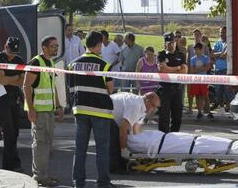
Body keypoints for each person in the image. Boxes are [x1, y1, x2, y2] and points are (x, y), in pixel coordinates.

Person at [67, 31, 115, 188]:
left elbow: (70, 87)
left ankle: (78, 183)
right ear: (98, 44)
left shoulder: (72, 64)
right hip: (100, 112)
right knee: (102, 150)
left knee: (80, 149)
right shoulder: (104, 65)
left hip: (80, 110)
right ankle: (103, 183)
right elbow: (110, 89)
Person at [23, 36, 64, 187]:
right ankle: (39, 177)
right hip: (38, 112)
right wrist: (31, 109)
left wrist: (59, 106)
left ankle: (43, 174)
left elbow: (52, 87)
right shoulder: (36, 62)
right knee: (40, 143)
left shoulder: (51, 62)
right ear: (44, 48)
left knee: (47, 144)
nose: (56, 48)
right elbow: (26, 86)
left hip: (48, 111)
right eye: (53, 46)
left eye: (57, 46)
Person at [0, 37, 25, 172]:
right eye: (10, 50)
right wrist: (15, 78)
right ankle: (8, 165)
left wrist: (8, 79)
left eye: (14, 52)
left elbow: (22, 81)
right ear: (5, 46)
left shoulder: (19, 60)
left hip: (14, 98)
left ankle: (14, 162)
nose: (12, 54)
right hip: (1, 99)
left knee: (15, 132)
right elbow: (1, 80)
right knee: (8, 132)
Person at [109, 92, 161, 174]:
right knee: (115, 138)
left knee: (125, 136)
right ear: (147, 101)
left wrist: (137, 145)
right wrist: (124, 149)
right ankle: (114, 167)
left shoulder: (143, 108)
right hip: (105, 112)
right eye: (153, 106)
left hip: (111, 112)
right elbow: (123, 128)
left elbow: (136, 129)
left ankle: (122, 164)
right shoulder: (136, 105)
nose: (154, 109)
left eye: (156, 107)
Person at [157, 32, 188, 133]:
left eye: (172, 42)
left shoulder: (181, 55)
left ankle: (174, 137)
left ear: (176, 42)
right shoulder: (161, 54)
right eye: (168, 43)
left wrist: (169, 68)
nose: (170, 45)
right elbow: (162, 69)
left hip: (177, 89)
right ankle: (163, 137)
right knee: (164, 117)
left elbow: (184, 71)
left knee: (177, 117)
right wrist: (177, 68)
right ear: (165, 44)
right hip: (164, 90)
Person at [214, 26, 234, 117]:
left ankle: (230, 110)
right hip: (217, 70)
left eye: (224, 32)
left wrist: (219, 54)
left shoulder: (229, 43)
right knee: (219, 91)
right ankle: (221, 109)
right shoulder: (217, 42)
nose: (222, 34)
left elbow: (225, 56)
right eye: (221, 32)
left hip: (227, 70)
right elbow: (211, 54)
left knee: (228, 91)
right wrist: (220, 54)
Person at [189, 43, 211, 119]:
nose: (195, 51)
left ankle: (208, 111)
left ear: (201, 50)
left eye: (197, 49)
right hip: (196, 80)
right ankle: (199, 112)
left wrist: (197, 69)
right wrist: (202, 67)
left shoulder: (206, 58)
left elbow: (207, 68)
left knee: (205, 95)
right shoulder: (192, 59)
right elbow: (192, 70)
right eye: (194, 49)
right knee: (197, 96)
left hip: (204, 79)